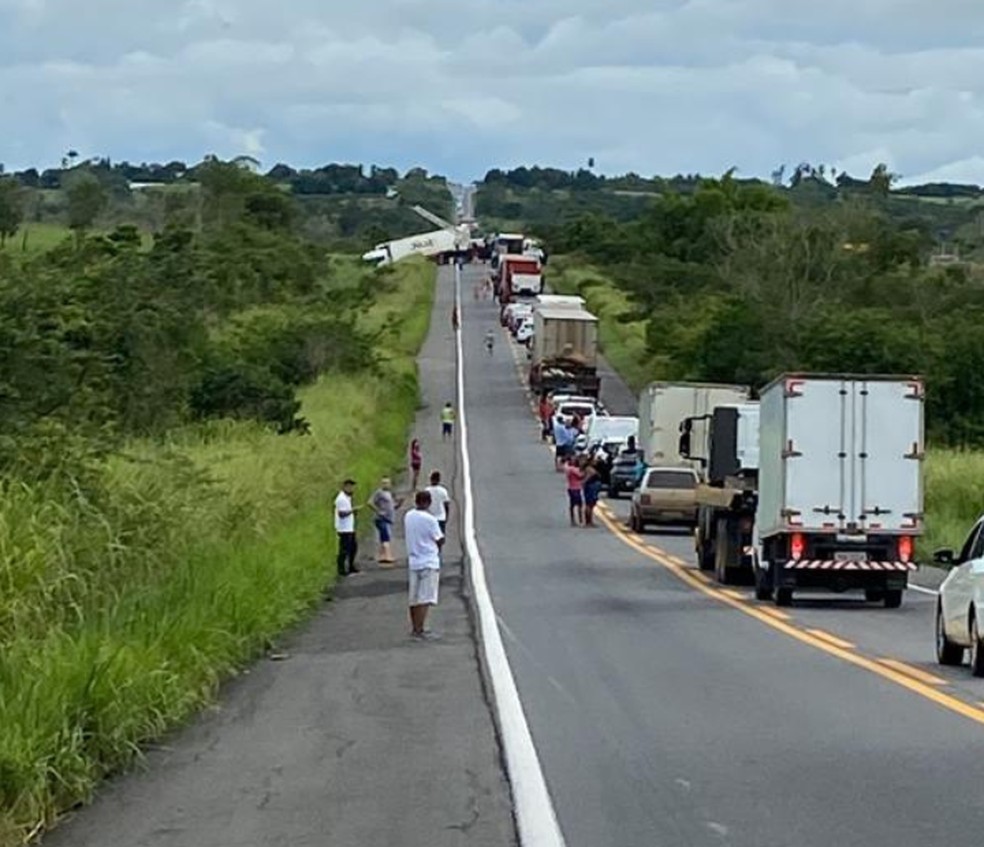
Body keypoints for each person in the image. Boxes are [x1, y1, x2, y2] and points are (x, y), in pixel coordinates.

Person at [404, 490, 445, 640]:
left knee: (413, 598)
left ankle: (414, 628)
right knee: (425, 598)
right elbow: (439, 539)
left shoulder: (408, 516)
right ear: (429, 502)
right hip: (428, 561)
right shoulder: (430, 519)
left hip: (414, 561)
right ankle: (420, 630)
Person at [369, 477, 403, 564]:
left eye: (387, 483)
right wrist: (378, 511)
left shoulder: (390, 494)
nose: (386, 485)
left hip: (389, 518)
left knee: (384, 537)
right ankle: (388, 555)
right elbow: (370, 502)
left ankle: (381, 555)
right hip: (381, 518)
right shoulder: (379, 493)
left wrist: (399, 504)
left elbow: (393, 507)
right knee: (386, 537)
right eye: (384, 483)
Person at [334, 479, 363, 577]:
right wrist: (353, 510)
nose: (351, 489)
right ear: (345, 487)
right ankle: (341, 570)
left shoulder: (348, 498)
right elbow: (341, 514)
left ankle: (351, 566)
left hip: (349, 527)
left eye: (352, 487)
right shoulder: (341, 499)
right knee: (344, 550)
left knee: (353, 548)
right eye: (349, 487)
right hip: (343, 528)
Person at [565, 457, 585, 527]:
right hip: (575, 488)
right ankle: (579, 520)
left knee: (573, 505)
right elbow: (580, 476)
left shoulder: (569, 468)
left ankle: (574, 520)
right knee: (578, 505)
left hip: (573, 488)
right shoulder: (572, 469)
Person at [582, 459, 603, 527]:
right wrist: (584, 482)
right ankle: (588, 522)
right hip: (591, 487)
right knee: (589, 504)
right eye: (594, 461)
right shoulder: (589, 469)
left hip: (592, 487)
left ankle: (589, 521)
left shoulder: (589, 468)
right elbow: (589, 476)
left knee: (591, 504)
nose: (595, 462)